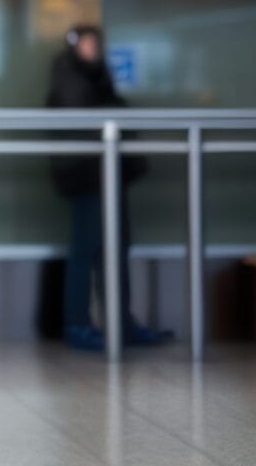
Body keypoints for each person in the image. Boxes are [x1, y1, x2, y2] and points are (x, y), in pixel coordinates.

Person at [46, 24, 171, 350]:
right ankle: (78, 324)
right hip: (87, 173)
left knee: (116, 247)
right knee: (87, 248)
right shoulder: (69, 79)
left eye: (94, 44)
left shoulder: (98, 77)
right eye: (85, 44)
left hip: (109, 171)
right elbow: (86, 120)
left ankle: (120, 323)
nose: (91, 50)